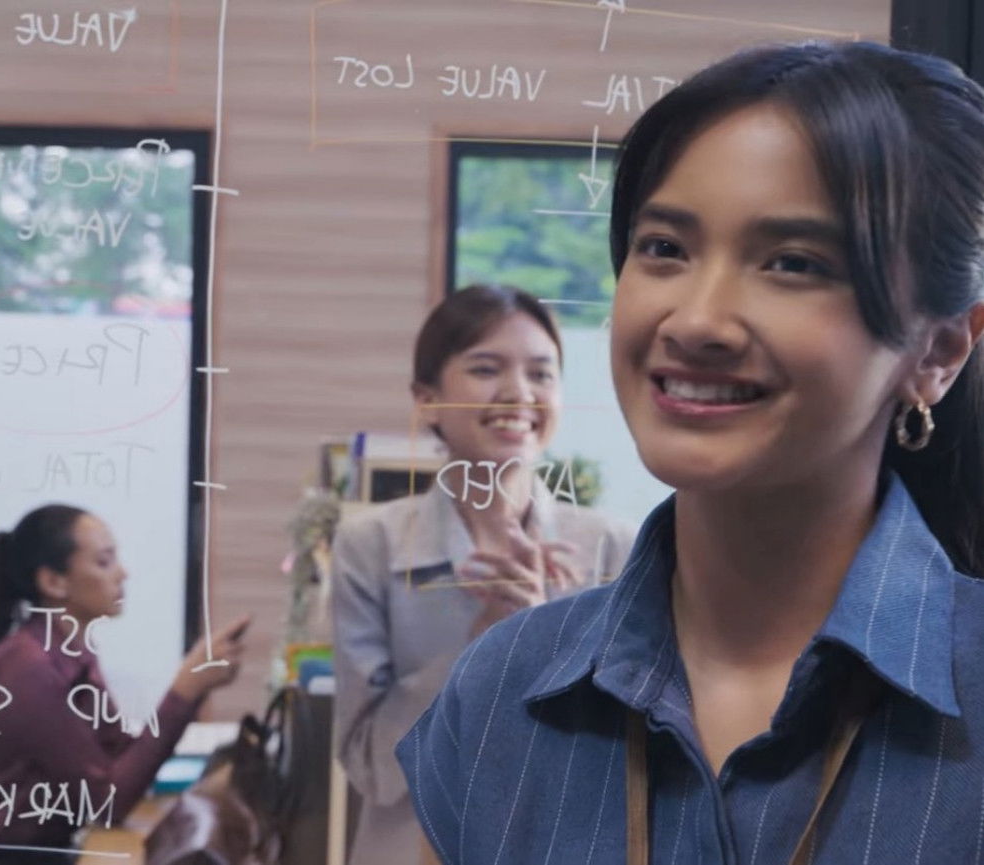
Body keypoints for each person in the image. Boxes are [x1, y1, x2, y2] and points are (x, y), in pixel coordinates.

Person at [400, 40, 984, 864]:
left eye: (792, 263)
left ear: (938, 351)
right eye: (664, 248)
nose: (697, 320)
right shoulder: (499, 694)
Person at [332, 285, 637, 865]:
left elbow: (629, 761)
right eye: (485, 369)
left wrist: (550, 643)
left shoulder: (611, 548)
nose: (519, 393)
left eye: (541, 374)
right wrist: (480, 651)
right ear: (427, 400)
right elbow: (369, 766)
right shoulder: (369, 546)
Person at [0, 504, 249, 865]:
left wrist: (194, 687)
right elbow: (107, 803)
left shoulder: (71, 652)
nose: (122, 573)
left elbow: (120, 756)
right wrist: (186, 689)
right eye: (104, 562)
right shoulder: (30, 668)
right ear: (53, 582)